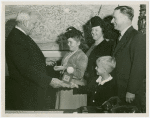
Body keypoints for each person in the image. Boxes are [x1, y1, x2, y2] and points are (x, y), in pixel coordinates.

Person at [5, 10, 65, 110]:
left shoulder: (21, 36)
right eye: (33, 23)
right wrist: (49, 80)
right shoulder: (16, 39)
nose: (34, 26)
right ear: (24, 22)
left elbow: (27, 58)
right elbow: (25, 68)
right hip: (25, 93)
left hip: (29, 90)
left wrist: (43, 61)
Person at [111, 6, 146, 111]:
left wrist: (131, 91)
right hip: (118, 90)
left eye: (115, 18)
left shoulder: (137, 37)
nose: (112, 21)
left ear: (125, 18)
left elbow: (139, 66)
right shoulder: (119, 37)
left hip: (129, 93)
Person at [55, 27, 88, 109]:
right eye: (68, 42)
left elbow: (80, 75)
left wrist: (68, 69)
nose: (68, 44)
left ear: (78, 42)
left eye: (71, 42)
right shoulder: (68, 53)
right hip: (65, 83)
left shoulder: (82, 55)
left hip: (74, 88)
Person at [84, 16, 114, 106]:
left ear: (103, 30)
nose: (93, 32)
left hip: (97, 84)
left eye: (96, 30)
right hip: (88, 82)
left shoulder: (107, 46)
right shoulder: (91, 46)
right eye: (92, 30)